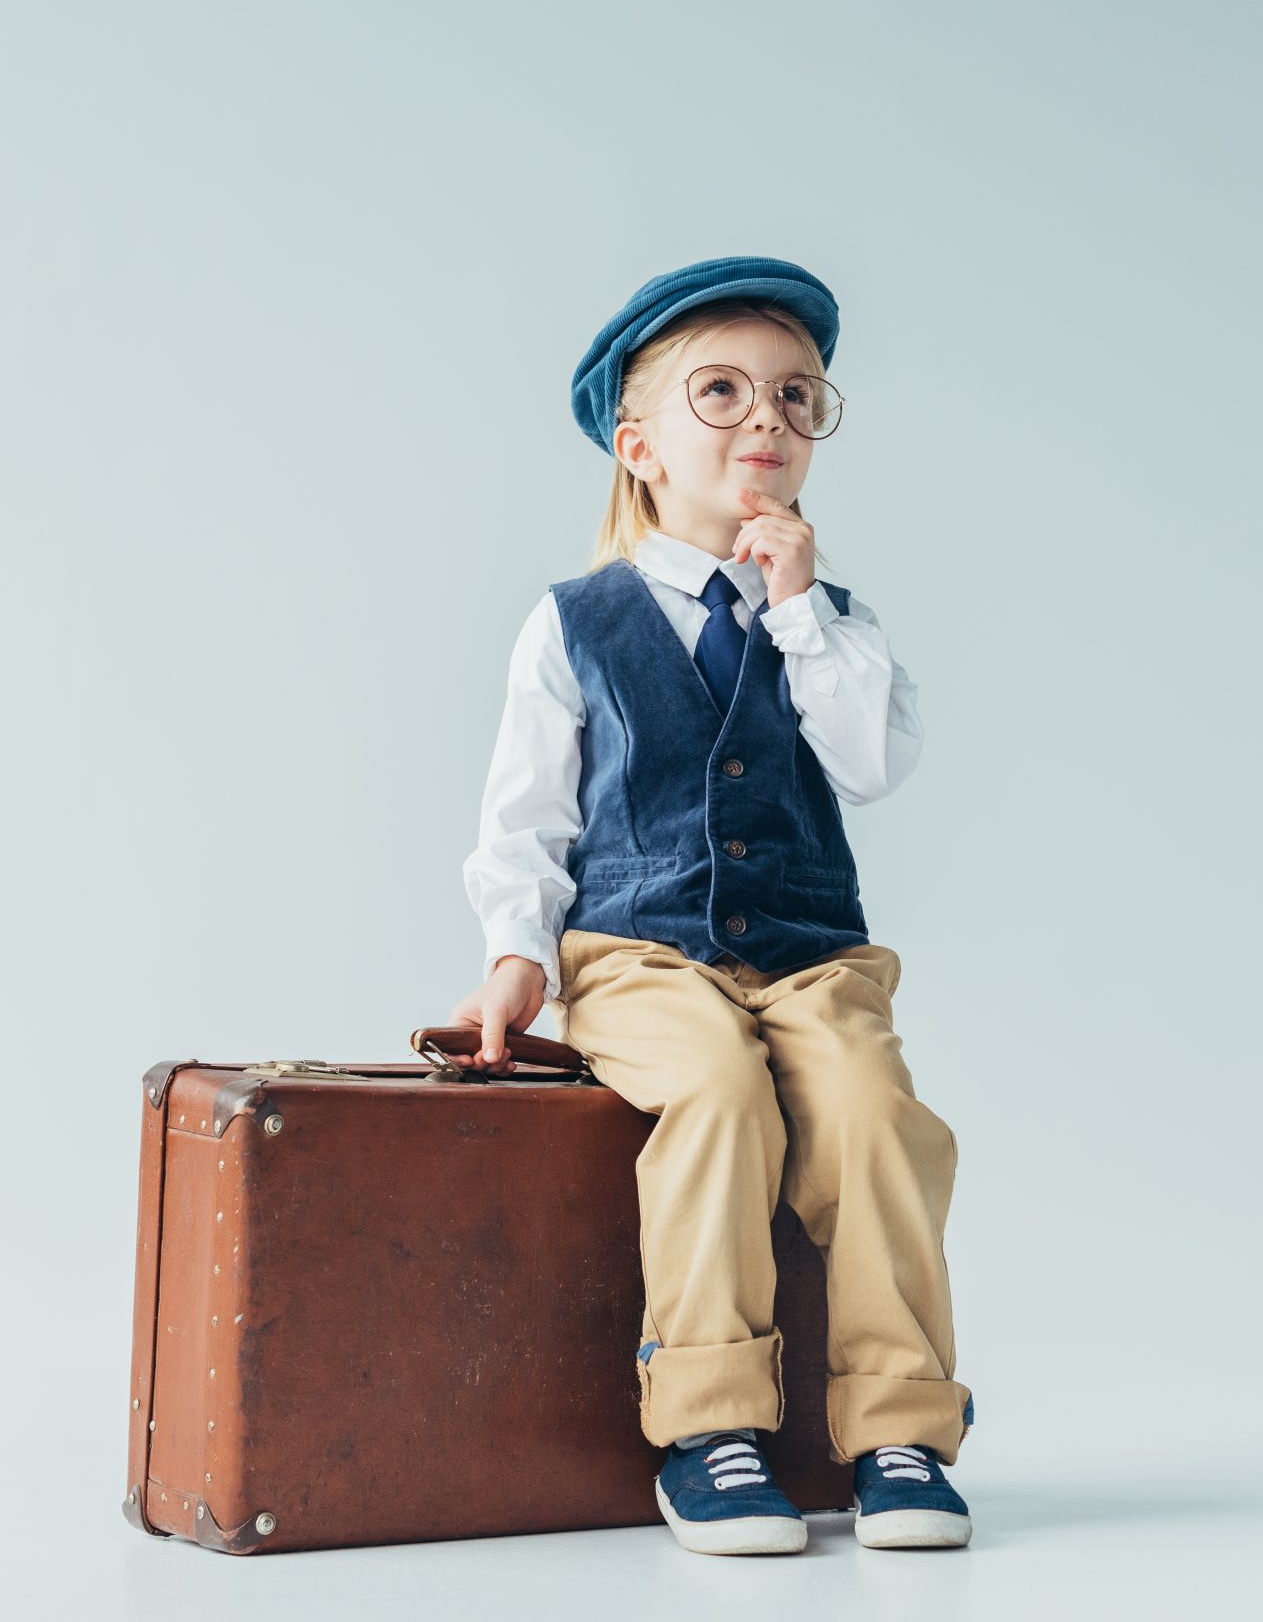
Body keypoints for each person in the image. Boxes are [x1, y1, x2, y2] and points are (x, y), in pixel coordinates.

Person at [446, 256, 973, 1555]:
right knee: (719, 1092)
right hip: (640, 950)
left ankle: (899, 1424)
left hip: (812, 955)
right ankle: (709, 1422)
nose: (766, 422)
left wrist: (795, 608)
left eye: (798, 399)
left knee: (870, 1114)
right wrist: (518, 955)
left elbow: (871, 763)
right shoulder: (574, 621)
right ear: (638, 445)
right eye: (723, 391)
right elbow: (529, 813)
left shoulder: (830, 622)